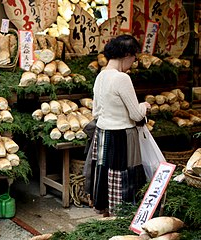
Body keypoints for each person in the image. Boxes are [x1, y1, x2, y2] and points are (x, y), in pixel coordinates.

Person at [83, 34, 151, 216]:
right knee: (124, 179)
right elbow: (135, 114)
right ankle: (123, 216)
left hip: (103, 135)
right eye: (134, 57)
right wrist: (144, 106)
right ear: (127, 54)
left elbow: (95, 112)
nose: (134, 61)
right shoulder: (122, 79)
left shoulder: (101, 76)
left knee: (106, 175)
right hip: (123, 137)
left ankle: (107, 213)